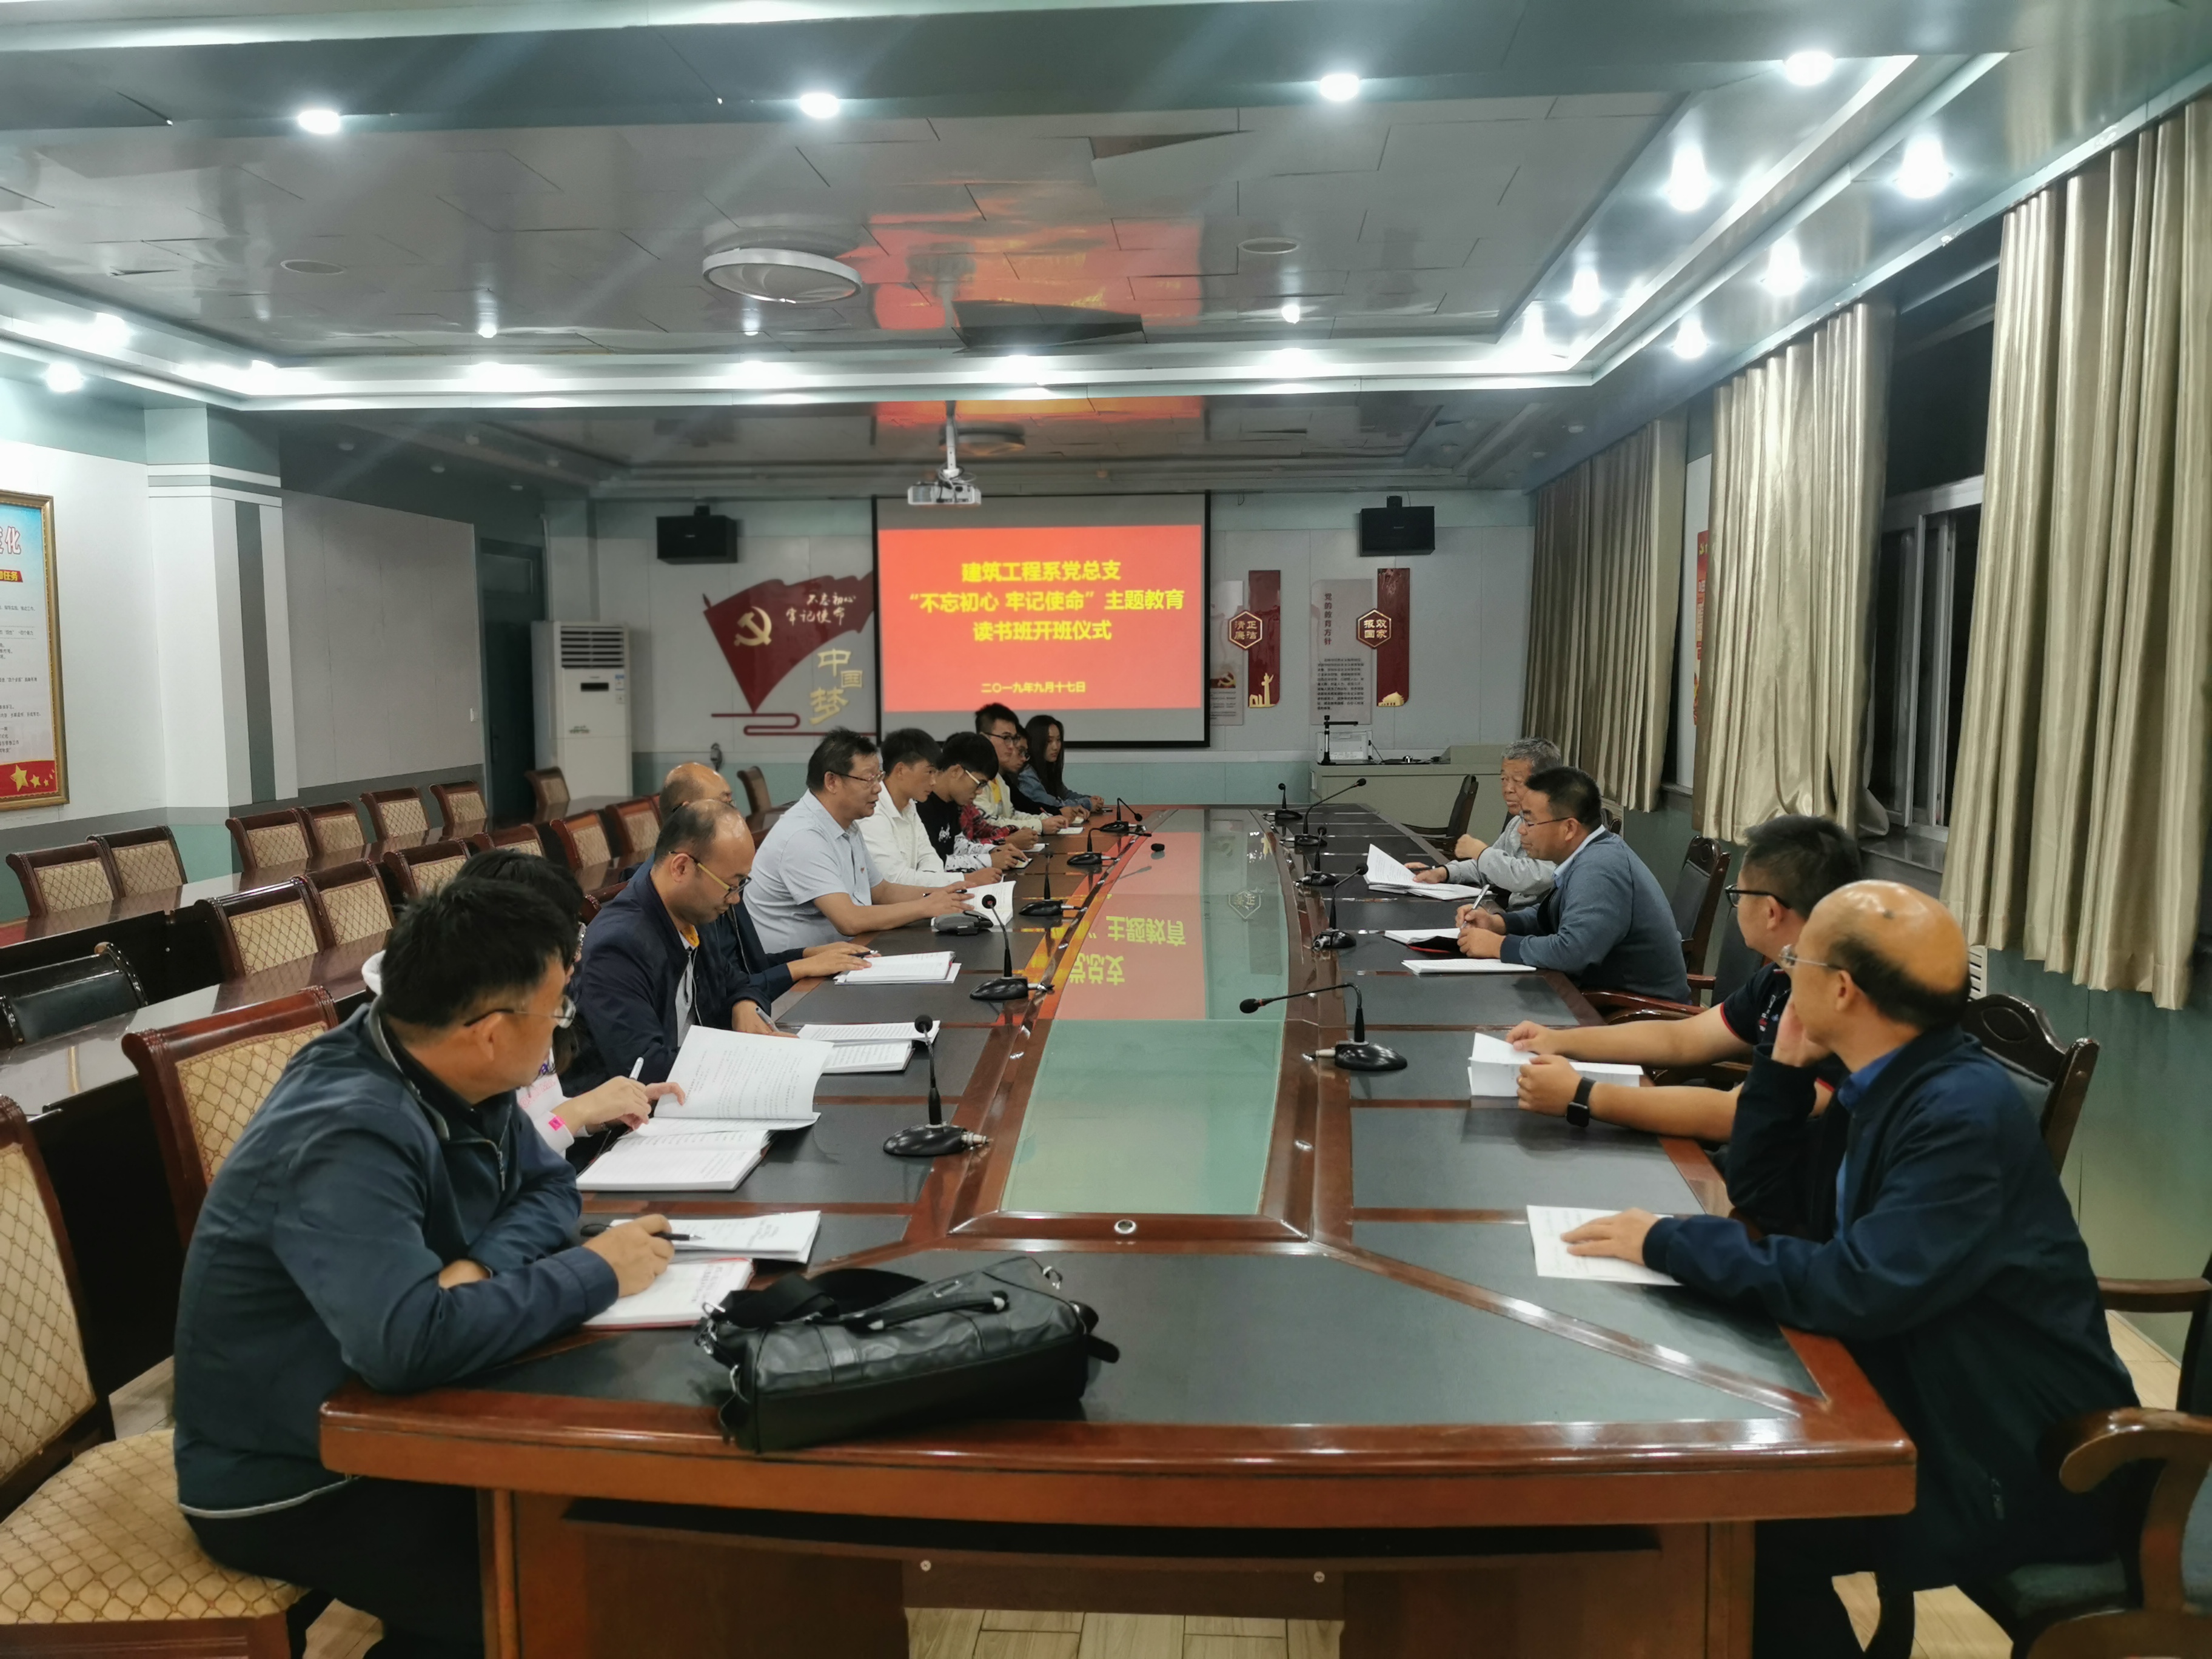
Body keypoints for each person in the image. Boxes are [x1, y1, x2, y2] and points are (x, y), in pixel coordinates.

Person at [1562, 882, 2137, 1659]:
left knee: (1731, 1521)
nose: (1783, 973)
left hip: (2020, 1456)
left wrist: (1667, 1241)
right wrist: (1782, 1068)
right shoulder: (1888, 1079)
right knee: (1712, 1507)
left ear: (1841, 989)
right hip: (1924, 1389)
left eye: (1797, 961)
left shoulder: (1955, 1113)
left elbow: (1857, 1288)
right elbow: (1770, 1201)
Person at [173, 880, 676, 1659]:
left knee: (612, 1542)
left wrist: (477, 1268)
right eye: (556, 1011)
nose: (560, 1031)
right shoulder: (347, 1127)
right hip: (296, 1474)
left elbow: (548, 1188)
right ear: (490, 1031)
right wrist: (596, 1273)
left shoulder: (447, 1063)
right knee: (569, 1603)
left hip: (398, 1418)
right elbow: (406, 1345)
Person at [1503, 814, 1861, 1141]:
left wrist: (1583, 1095)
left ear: (1771, 912)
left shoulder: (1841, 1005)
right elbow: (1683, 1038)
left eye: (1737, 895)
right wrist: (1559, 1040)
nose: (1736, 906)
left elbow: (1736, 1114)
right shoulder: (1780, 978)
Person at [565, 799, 870, 1102]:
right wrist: (757, 1058)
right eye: (731, 885)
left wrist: (744, 1004)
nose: (736, 899)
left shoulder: (694, 913)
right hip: (636, 1119)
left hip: (698, 1090)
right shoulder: (619, 946)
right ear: (681, 867)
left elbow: (737, 982)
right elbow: (646, 1069)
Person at [449, 847, 683, 1156]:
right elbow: (498, 1161)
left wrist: (603, 1112)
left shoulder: (535, 1004)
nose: (578, 955)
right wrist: (581, 1110)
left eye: (577, 934)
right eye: (564, 940)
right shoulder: (460, 1039)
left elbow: (548, 1115)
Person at [657, 762, 870, 1030]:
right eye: (725, 804)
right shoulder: (694, 892)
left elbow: (746, 970)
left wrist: (809, 955)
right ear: (691, 812)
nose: (735, 814)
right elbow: (716, 994)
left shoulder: (723, 878)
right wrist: (802, 967)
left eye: (732, 803)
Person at [1453, 765, 1690, 1001]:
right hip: (1602, 995)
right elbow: (1554, 913)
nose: (1522, 831)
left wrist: (1499, 946)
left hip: (1634, 1012)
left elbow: (1572, 952)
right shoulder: (1589, 854)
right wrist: (1499, 923)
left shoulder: (1600, 867)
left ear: (1569, 828)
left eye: (1530, 822)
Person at [745, 728, 973, 951]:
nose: (878, 788)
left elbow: (882, 891)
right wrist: (924, 907)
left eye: (879, 777)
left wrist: (943, 893)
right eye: (869, 779)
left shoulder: (847, 824)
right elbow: (849, 920)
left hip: (846, 951)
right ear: (832, 782)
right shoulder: (803, 836)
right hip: (800, 968)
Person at [1409, 736, 1560, 905]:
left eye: (1517, 781)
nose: (1507, 789)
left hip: (1534, 920)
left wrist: (1481, 852)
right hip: (1513, 916)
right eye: (1504, 779)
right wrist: (1444, 872)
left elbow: (1528, 877)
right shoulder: (1517, 822)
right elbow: (1486, 868)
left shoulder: (1559, 827)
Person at [862, 728, 1015, 890]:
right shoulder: (873, 812)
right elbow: (895, 880)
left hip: (919, 898)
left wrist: (934, 887)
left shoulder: (909, 806)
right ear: (901, 770)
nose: (934, 782)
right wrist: (965, 880)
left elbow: (930, 857)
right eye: (929, 772)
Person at [920, 731, 1033, 873]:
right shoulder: (921, 803)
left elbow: (957, 846)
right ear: (956, 772)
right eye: (980, 783)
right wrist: (989, 861)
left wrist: (993, 850)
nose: (980, 792)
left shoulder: (951, 800)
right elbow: (932, 864)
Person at [973, 703, 1070, 836]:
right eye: (1006, 738)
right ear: (985, 739)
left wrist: (1045, 819)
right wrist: (1040, 826)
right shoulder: (974, 778)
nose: (1012, 746)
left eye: (1014, 739)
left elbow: (1012, 815)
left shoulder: (998, 778)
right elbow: (988, 824)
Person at [1017, 713, 1106, 816]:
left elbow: (1065, 794)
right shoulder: (1026, 773)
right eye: (1049, 741)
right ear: (1035, 742)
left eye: (1058, 740)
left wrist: (1090, 799)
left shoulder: (1048, 767)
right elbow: (1051, 805)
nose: (1056, 747)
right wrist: (1088, 804)